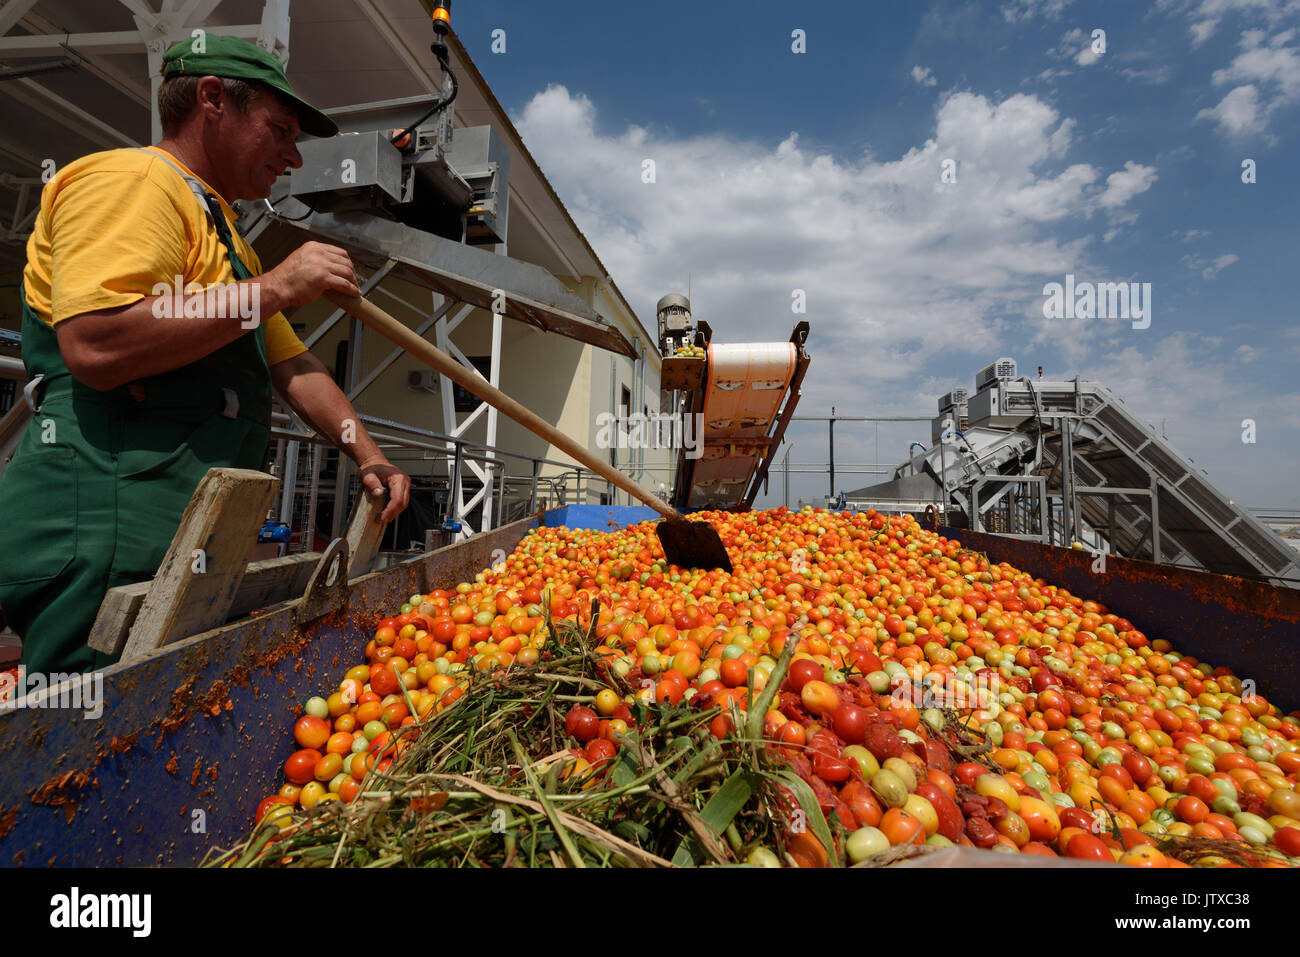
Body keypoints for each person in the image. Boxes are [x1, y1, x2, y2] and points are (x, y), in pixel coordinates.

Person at [0, 35, 410, 675]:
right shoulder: (133, 183)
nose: (294, 157)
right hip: (106, 524)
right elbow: (96, 343)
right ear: (213, 99)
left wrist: (369, 454)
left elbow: (293, 367)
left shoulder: (227, 243)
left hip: (183, 533)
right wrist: (276, 286)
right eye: (279, 130)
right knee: (80, 735)